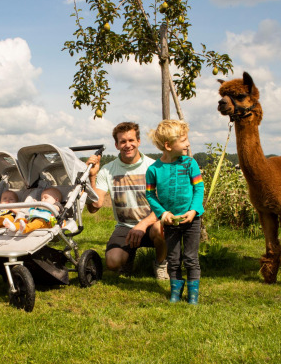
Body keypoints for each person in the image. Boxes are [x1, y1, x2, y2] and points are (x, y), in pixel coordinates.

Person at [85, 122, 167, 278]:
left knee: (160, 228)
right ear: (116, 145)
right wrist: (92, 176)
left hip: (151, 223)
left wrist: (143, 224)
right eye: (123, 141)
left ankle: (161, 264)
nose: (127, 145)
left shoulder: (154, 166)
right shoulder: (107, 170)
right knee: (112, 263)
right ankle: (127, 259)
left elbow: (165, 205)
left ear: (138, 142)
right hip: (125, 226)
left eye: (131, 140)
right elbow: (94, 207)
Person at [144, 120, 204, 304]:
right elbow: (150, 194)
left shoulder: (190, 163)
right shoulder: (153, 170)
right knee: (173, 259)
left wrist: (194, 210)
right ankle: (175, 292)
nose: (188, 144)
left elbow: (199, 188)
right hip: (170, 222)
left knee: (191, 258)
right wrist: (163, 214)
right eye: (183, 140)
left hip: (192, 220)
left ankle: (193, 295)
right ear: (168, 145)